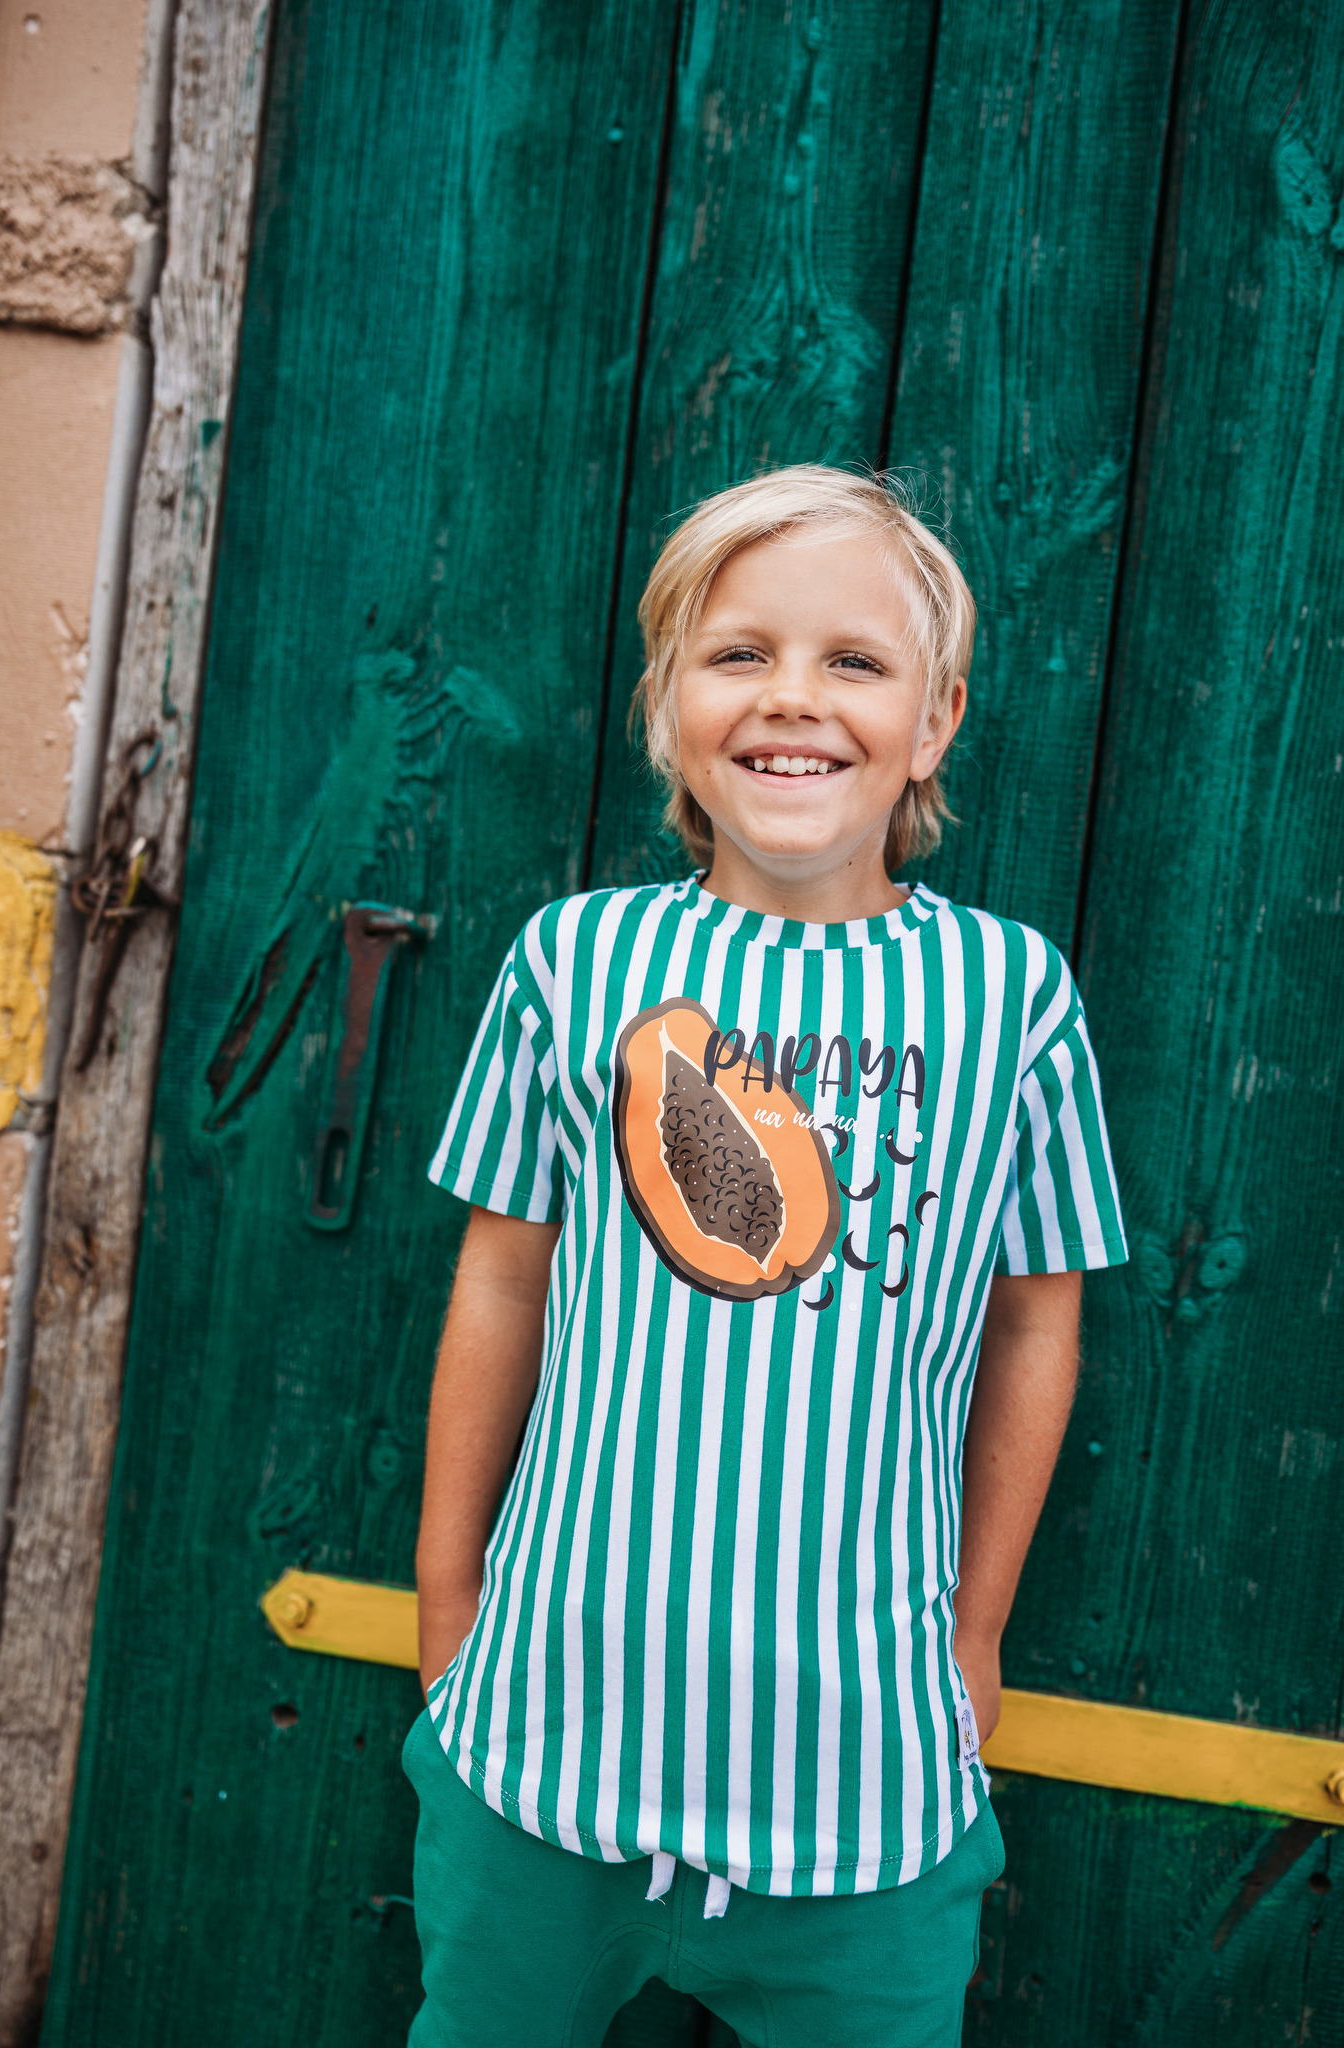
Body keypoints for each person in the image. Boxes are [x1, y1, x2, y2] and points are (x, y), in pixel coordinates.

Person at [404, 465, 1127, 2046]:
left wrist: (979, 1631)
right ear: (668, 708)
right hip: (539, 1738)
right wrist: (444, 1598)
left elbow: (1035, 1328)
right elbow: (502, 1280)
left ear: (934, 722)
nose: (792, 699)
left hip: (866, 1784)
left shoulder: (1015, 996)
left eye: (854, 663)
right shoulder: (576, 960)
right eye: (738, 655)